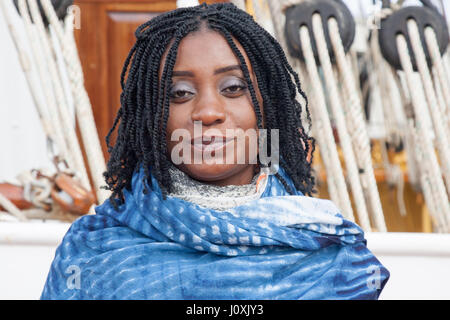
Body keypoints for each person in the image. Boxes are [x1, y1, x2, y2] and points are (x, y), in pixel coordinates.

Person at [41, 2, 389, 300]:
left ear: (267, 108)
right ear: (152, 117)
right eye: (179, 93)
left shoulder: (333, 253)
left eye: (234, 87)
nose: (208, 112)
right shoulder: (91, 252)